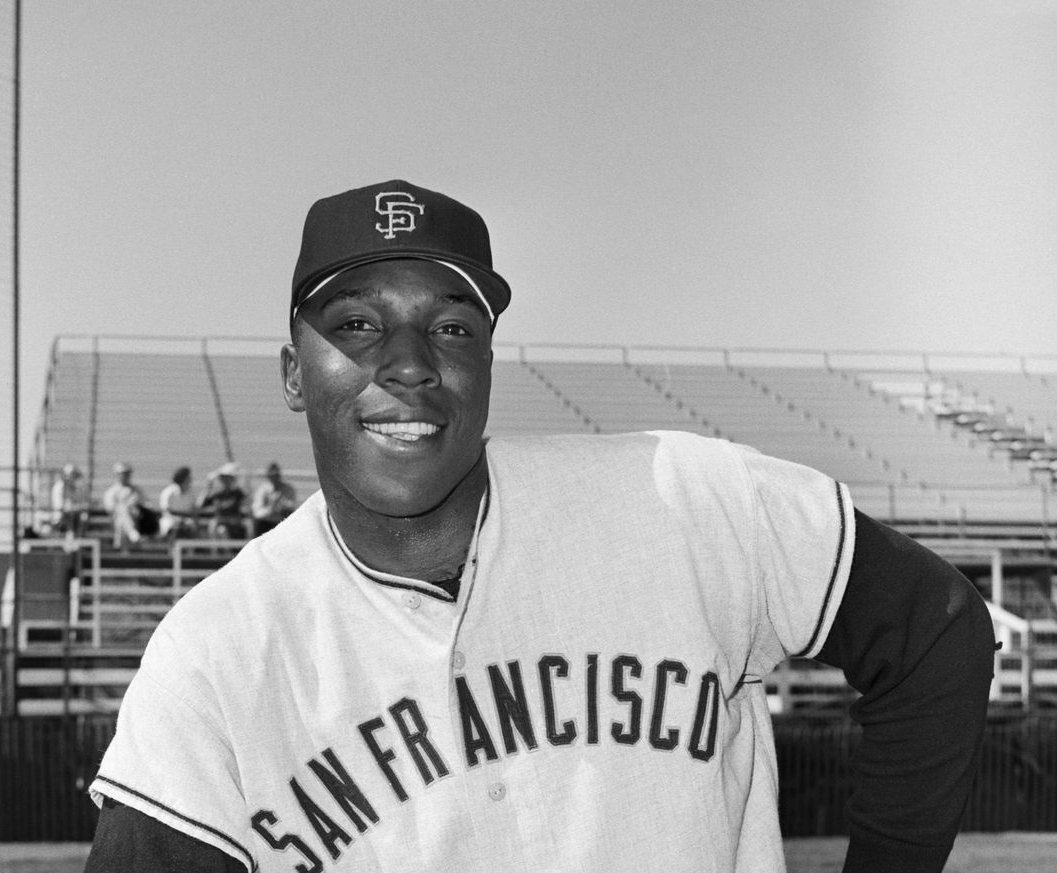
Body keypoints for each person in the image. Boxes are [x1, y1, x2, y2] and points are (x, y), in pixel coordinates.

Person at [85, 180, 995, 873]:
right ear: (293, 372)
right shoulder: (217, 651)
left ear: (486, 364)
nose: (406, 363)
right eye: (356, 324)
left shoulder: (682, 496)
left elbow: (937, 631)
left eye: (450, 327)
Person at [101, 461, 158, 549]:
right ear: (117, 475)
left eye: (127, 473)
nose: (126, 476)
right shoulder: (111, 492)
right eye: (123, 473)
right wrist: (127, 508)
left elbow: (148, 505)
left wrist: (136, 508)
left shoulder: (137, 490)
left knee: (125, 514)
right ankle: (133, 535)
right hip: (117, 523)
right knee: (123, 512)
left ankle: (132, 536)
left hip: (138, 522)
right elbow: (110, 509)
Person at [196, 461, 248, 540]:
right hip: (221, 524)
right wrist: (208, 486)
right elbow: (200, 505)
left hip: (236, 525)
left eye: (228, 477)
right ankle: (218, 552)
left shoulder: (238, 493)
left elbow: (246, 504)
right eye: (223, 477)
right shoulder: (218, 494)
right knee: (220, 529)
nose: (225, 480)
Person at [250, 461, 297, 536]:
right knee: (257, 524)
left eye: (276, 475)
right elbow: (257, 512)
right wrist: (271, 509)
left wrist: (281, 507)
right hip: (264, 523)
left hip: (281, 522)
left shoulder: (288, 489)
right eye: (272, 476)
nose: (274, 478)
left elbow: (291, 507)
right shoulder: (262, 489)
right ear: (268, 476)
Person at [48, 462, 88, 538]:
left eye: (74, 475)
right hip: (61, 516)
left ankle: (78, 543)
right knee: (71, 515)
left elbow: (80, 502)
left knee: (82, 516)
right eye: (72, 475)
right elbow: (59, 505)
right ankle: (70, 543)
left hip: (73, 515)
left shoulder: (74, 487)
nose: (73, 477)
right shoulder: (59, 487)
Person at [158, 466, 197, 540]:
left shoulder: (191, 494)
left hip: (187, 523)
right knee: (174, 529)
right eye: (188, 478)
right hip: (170, 522)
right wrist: (180, 519)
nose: (191, 480)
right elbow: (167, 510)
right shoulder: (168, 492)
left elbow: (194, 510)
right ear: (183, 478)